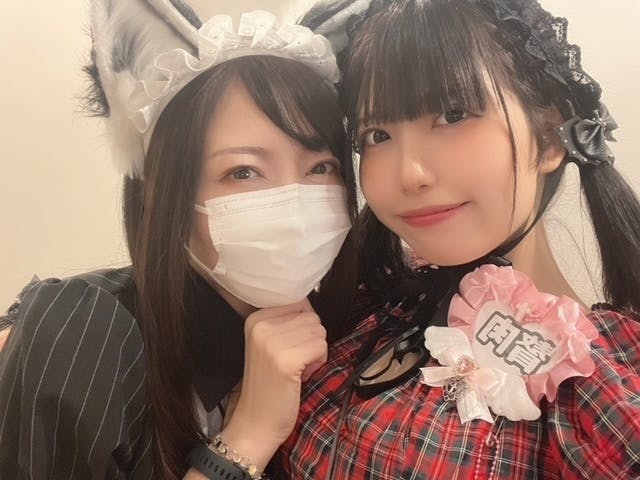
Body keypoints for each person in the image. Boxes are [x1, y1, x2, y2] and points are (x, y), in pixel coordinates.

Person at [276, 0, 640, 478]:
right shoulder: (360, 311)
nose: (410, 174)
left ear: (550, 137)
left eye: (453, 114)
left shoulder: (599, 388)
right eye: (377, 135)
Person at [0, 2, 360, 479]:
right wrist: (248, 437)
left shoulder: (349, 333)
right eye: (243, 171)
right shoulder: (84, 333)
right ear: (163, 189)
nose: (293, 205)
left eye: (321, 167)